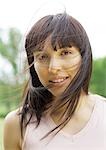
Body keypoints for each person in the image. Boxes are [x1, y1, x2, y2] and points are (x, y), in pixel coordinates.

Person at [3, 12, 106, 150]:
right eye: (42, 57)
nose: (53, 68)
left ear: (84, 57)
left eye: (65, 53)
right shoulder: (17, 125)